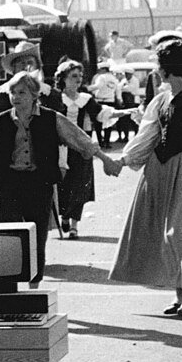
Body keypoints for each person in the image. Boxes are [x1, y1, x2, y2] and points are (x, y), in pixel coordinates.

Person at [110, 37, 182, 319]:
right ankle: (178, 296)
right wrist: (124, 160)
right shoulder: (161, 99)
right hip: (158, 170)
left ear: (163, 68)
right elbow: (148, 135)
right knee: (165, 232)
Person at [0, 71, 121, 288]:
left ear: (34, 95)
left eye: (22, 92)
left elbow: (81, 140)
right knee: (10, 238)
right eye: (13, 93)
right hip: (9, 185)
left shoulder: (51, 118)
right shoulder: (1, 121)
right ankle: (10, 291)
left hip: (39, 184)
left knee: (37, 238)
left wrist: (106, 160)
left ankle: (34, 288)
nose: (15, 97)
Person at [43, 59, 115, 238]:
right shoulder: (55, 98)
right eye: (74, 76)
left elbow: (101, 114)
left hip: (82, 148)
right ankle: (65, 217)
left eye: (80, 76)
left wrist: (127, 111)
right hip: (60, 147)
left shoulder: (86, 99)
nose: (78, 80)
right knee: (63, 184)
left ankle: (74, 224)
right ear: (63, 78)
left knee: (80, 185)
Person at [0, 40, 45, 138]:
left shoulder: (49, 93)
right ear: (13, 68)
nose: (26, 67)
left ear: (37, 67)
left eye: (30, 62)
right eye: (21, 63)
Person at [88, 60, 123, 148]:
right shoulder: (114, 79)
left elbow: (97, 86)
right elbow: (118, 91)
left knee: (98, 122)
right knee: (108, 122)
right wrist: (119, 100)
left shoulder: (101, 77)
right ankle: (107, 142)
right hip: (110, 101)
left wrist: (86, 88)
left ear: (103, 69)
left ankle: (100, 142)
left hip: (100, 101)